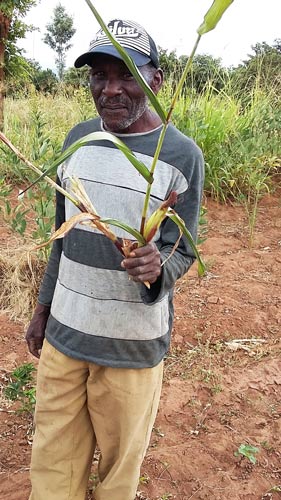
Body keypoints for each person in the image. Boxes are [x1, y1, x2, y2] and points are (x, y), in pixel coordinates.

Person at [26, 18, 204, 500]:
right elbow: (61, 237)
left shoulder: (181, 155)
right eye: (99, 76)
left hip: (130, 349)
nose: (110, 90)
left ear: (157, 79)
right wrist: (43, 310)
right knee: (52, 465)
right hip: (65, 336)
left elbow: (184, 247)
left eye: (127, 74)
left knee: (118, 475)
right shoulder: (79, 141)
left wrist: (157, 267)